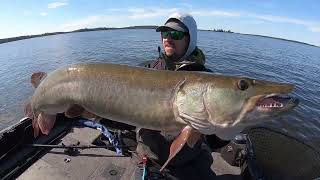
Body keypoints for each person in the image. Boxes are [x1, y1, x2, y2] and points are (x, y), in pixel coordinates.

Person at [135, 12, 228, 180]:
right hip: (149, 160)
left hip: (190, 164)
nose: (168, 39)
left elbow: (214, 142)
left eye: (175, 34)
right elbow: (121, 114)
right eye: (165, 34)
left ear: (190, 40)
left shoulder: (208, 81)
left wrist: (228, 129)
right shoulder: (145, 70)